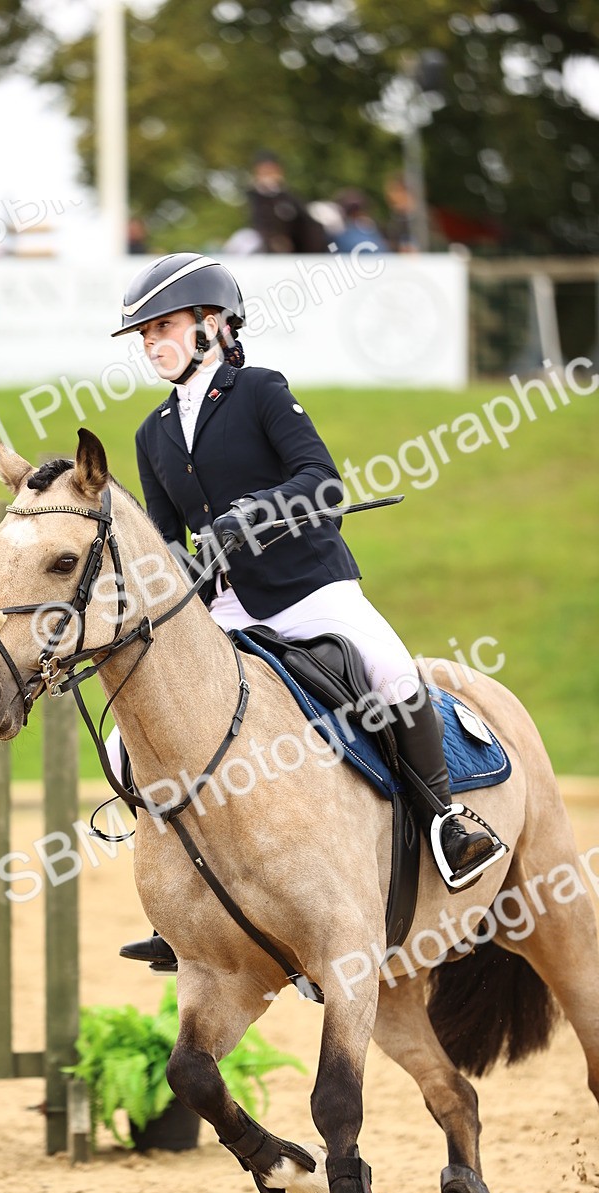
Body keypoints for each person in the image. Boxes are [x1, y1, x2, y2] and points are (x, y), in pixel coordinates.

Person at [109, 252, 502, 968]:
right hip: (224, 610)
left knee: (390, 673)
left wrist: (249, 518)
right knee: (129, 735)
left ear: (212, 326)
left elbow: (321, 480)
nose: (151, 344)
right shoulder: (151, 434)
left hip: (310, 590)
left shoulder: (260, 391)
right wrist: (179, 568)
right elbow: (166, 536)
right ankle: (184, 906)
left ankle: (445, 820)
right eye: (143, 334)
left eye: (162, 327)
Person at [246, 150, 329, 254]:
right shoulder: (252, 196)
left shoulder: (288, 196)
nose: (268, 174)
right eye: (265, 170)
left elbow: (304, 219)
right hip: (265, 242)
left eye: (271, 170)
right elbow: (257, 221)